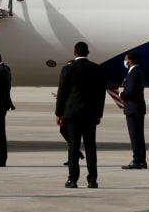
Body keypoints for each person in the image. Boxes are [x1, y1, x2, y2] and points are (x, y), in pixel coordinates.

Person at [55, 41, 106, 189]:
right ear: (87, 53)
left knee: (73, 146)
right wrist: (99, 114)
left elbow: (62, 93)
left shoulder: (67, 69)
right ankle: (92, 180)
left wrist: (59, 113)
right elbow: (100, 94)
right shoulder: (96, 69)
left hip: (72, 114)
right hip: (90, 114)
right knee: (90, 147)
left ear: (74, 53)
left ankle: (73, 179)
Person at [120, 51, 147, 169]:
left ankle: (137, 160)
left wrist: (121, 95)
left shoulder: (133, 73)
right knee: (139, 135)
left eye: (125, 59)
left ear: (130, 61)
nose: (124, 61)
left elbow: (130, 91)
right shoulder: (138, 71)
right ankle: (142, 160)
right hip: (138, 107)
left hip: (133, 108)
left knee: (135, 135)